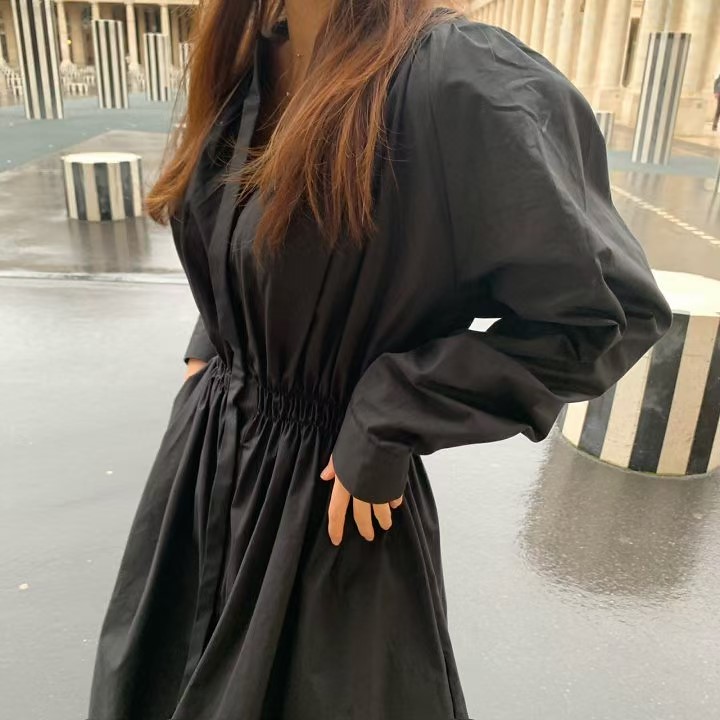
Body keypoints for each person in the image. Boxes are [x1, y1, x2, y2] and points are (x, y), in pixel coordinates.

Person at [87, 2, 672, 719]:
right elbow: (261, 238)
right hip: (204, 461)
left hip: (325, 507)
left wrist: (396, 409)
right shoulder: (254, 42)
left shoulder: (456, 80)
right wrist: (221, 335)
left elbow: (605, 311)